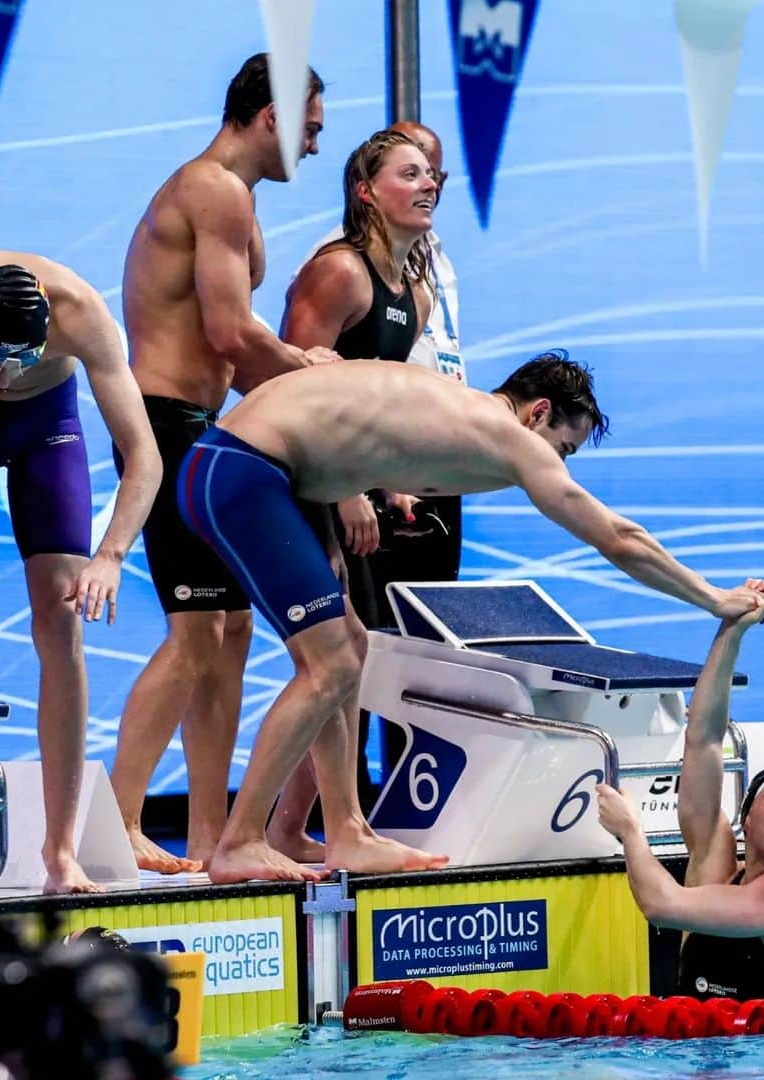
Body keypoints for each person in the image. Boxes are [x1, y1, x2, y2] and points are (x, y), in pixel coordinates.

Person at [174, 352, 764, 883]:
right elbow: (618, 538)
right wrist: (714, 596)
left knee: (348, 652)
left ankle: (346, 830)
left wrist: (324, 531)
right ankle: (240, 840)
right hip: (243, 474)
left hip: (249, 473)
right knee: (330, 663)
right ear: (537, 412)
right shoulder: (505, 432)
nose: (558, 465)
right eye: (563, 449)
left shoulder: (447, 411)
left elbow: (332, 429)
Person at [108, 53, 334, 875]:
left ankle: (209, 837)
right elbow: (234, 333)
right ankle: (119, 819)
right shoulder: (215, 190)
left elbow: (234, 356)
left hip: (199, 422)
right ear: (270, 116)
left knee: (231, 632)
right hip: (163, 424)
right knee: (197, 633)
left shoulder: (235, 202)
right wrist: (318, 378)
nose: (313, 147)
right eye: (308, 129)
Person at [268, 127, 444, 855]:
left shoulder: (416, 293)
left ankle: (297, 826)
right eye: (410, 173)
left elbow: (374, 404)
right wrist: (343, 491)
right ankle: (310, 828)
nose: (429, 183)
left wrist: (388, 479)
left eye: (432, 173)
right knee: (337, 655)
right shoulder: (339, 273)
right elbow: (286, 387)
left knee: (351, 654)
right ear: (366, 191)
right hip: (283, 475)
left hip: (334, 476)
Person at [0, 255, 162, 892]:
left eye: (18, 357)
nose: (0, 374)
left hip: (43, 426)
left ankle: (59, 853)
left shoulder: (80, 314)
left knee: (63, 621)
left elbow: (145, 456)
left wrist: (109, 556)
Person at [596, 604, 764, 1003]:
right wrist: (731, 630)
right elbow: (704, 738)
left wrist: (630, 831)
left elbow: (660, 905)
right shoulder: (716, 867)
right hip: (698, 1060)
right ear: (746, 817)